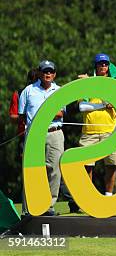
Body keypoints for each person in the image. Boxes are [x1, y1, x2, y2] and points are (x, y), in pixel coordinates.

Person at [18, 60, 64, 216]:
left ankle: (48, 207)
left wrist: (43, 113)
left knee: (55, 170)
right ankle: (29, 209)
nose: (48, 74)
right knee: (31, 171)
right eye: (45, 71)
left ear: (55, 74)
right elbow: (22, 116)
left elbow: (61, 113)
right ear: (39, 73)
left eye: (51, 71)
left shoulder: (59, 90)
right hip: (33, 135)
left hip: (54, 133)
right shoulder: (28, 91)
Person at [78, 53, 116, 197]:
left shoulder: (115, 84)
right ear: (95, 66)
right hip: (90, 131)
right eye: (100, 64)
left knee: (112, 164)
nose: (103, 66)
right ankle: (88, 197)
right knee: (87, 165)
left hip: (110, 130)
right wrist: (103, 105)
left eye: (105, 64)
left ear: (109, 66)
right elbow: (82, 107)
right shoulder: (86, 83)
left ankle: (108, 195)